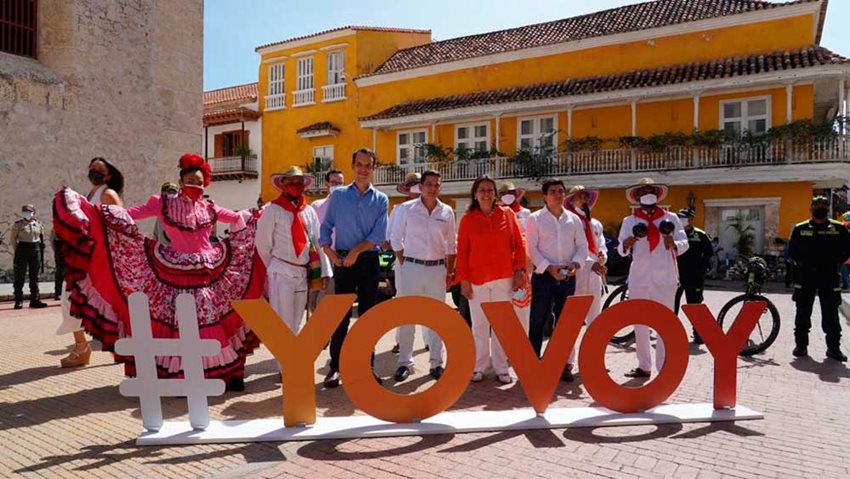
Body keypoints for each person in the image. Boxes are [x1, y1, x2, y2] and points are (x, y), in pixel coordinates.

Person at [53, 153, 267, 391]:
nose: (195, 185)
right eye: (190, 180)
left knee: (214, 319)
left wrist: (263, 215)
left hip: (210, 271)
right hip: (175, 271)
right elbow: (130, 215)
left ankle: (226, 373)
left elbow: (238, 219)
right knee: (185, 323)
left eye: (199, 181)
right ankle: (184, 375)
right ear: (181, 179)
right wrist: (100, 216)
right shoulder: (163, 203)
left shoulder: (210, 207)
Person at [320, 149, 388, 388]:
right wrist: (330, 253)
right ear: (352, 166)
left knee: (369, 316)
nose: (363, 169)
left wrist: (356, 252)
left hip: (368, 261)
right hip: (342, 262)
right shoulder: (338, 196)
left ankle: (366, 367)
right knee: (341, 317)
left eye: (368, 165)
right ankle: (336, 367)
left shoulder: (381, 199)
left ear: (373, 168)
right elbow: (325, 228)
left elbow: (379, 235)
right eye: (359, 164)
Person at [256, 167, 332, 367]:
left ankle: (294, 359)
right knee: (283, 321)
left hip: (302, 271)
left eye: (299, 183)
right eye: (291, 182)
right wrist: (272, 269)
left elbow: (316, 240)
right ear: (283, 185)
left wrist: (323, 271)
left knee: (297, 319)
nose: (295, 186)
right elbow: (262, 244)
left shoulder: (308, 211)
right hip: (281, 269)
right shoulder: (272, 209)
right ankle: (285, 366)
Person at [56, 157, 125, 368]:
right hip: (87, 258)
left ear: (109, 174)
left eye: (99, 169)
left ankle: (91, 349)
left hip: (102, 261)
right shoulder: (90, 195)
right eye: (92, 169)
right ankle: (83, 348)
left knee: (105, 305)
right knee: (70, 299)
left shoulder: (109, 194)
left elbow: (119, 228)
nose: (94, 172)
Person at [456, 175, 527, 384]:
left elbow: (519, 245)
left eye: (489, 190)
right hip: (476, 280)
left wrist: (520, 270)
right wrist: (463, 279)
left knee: (501, 326)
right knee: (479, 325)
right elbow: (462, 252)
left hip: (503, 278)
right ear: (475, 195)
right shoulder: (468, 219)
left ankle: (501, 368)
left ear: (495, 194)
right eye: (482, 190)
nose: (486, 193)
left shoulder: (507, 215)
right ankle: (479, 367)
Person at [617, 178, 688, 378]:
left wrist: (672, 242)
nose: (647, 192)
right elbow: (621, 249)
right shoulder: (630, 221)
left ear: (657, 194)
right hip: (640, 278)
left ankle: (664, 366)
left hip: (665, 277)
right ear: (637, 196)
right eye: (643, 190)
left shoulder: (671, 218)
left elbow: (684, 243)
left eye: (651, 189)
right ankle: (644, 366)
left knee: (664, 323)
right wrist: (631, 240)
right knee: (640, 323)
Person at [390, 170, 457, 381]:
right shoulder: (406, 209)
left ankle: (436, 363)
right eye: (429, 184)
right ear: (421, 186)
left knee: (436, 318)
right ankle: (404, 363)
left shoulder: (447, 212)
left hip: (437, 270)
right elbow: (395, 239)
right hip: (411, 267)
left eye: (437, 185)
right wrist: (405, 263)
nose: (432, 188)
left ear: (440, 187)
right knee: (408, 316)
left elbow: (451, 245)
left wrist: (448, 271)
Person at [526, 180, 589, 382]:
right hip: (544, 275)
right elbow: (531, 248)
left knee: (564, 323)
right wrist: (548, 267)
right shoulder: (535, 218)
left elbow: (582, 246)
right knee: (537, 320)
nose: (558, 195)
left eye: (561, 191)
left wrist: (576, 264)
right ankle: (533, 364)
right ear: (545, 196)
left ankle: (561, 365)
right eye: (553, 192)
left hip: (568, 275)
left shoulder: (574, 219)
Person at [788, 195, 850, 362]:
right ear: (811, 208)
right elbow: (792, 252)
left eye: (823, 205)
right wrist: (804, 262)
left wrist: (835, 262)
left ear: (828, 208)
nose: (820, 207)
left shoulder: (839, 229)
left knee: (831, 314)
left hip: (829, 276)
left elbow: (847, 250)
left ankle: (833, 348)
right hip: (805, 276)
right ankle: (801, 346)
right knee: (802, 313)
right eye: (817, 205)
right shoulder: (800, 228)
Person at [387, 172, 430, 354]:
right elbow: (390, 238)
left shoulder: (435, 207)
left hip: (428, 263)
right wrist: (404, 260)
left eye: (418, 184)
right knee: (404, 302)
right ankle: (401, 342)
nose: (415, 189)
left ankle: (429, 342)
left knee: (429, 304)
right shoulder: (399, 209)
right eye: (412, 185)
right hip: (404, 262)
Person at [565, 185, 607, 356]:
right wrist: (590, 263)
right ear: (571, 201)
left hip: (595, 276)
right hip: (576, 275)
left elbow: (601, 244)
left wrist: (603, 257)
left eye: (586, 197)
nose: (584, 200)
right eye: (579, 197)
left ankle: (594, 357)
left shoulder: (595, 223)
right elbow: (573, 250)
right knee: (573, 320)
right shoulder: (568, 223)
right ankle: (568, 361)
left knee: (595, 319)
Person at [308, 169, 344, 314]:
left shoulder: (347, 207)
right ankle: (317, 331)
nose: (337, 185)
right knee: (313, 295)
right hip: (318, 256)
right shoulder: (316, 206)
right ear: (327, 184)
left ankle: (324, 331)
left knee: (328, 295)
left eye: (340, 183)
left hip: (336, 256)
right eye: (334, 182)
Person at [676, 208, 713, 345]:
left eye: (684, 218)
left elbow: (709, 252)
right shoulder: (674, 235)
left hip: (694, 276)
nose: (682, 221)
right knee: (672, 305)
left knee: (695, 306)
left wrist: (702, 267)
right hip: (676, 276)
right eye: (679, 218)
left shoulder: (700, 235)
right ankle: (669, 333)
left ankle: (698, 334)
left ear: (691, 219)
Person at [11, 204, 47, 310]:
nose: (27, 213)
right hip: (22, 248)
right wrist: (18, 250)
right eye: (25, 211)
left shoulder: (38, 224)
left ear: (33, 212)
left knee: (34, 276)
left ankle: (34, 300)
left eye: (29, 211)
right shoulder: (18, 225)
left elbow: (41, 237)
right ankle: (19, 300)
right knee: (19, 275)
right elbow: (13, 239)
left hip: (35, 249)